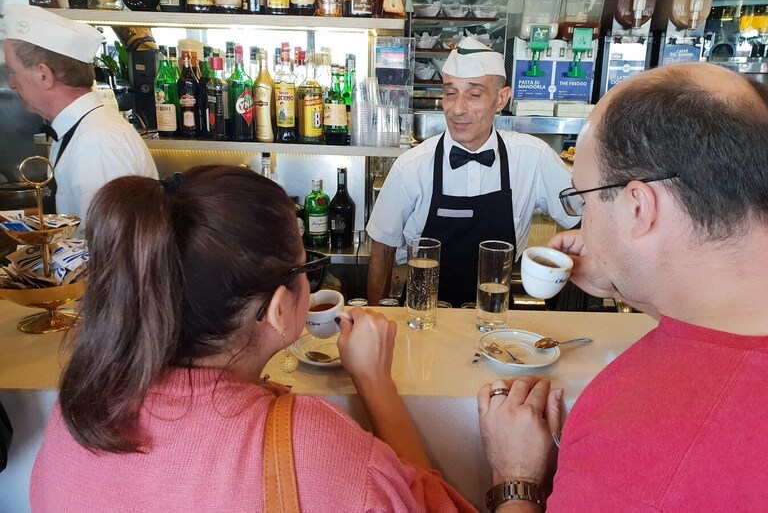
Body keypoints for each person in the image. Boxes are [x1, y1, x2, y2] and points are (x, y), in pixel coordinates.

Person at [30, 165, 477, 512]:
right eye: (305, 267)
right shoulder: (310, 444)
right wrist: (377, 384)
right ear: (279, 309)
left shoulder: (79, 409)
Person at [477, 63, 768, 511]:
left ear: (639, 207)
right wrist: (628, 282)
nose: (585, 223)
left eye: (584, 200)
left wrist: (514, 477)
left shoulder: (641, 447)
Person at [366, 37, 578, 307]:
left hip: (496, 313)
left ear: (501, 99)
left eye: (474, 94)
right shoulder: (411, 166)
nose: (457, 109)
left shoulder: (533, 157)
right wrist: (377, 318)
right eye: (450, 93)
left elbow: (582, 219)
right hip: (424, 314)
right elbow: (382, 251)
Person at [2, 4, 157, 225]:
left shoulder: (96, 143)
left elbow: (107, 241)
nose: (11, 83)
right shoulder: (81, 130)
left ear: (44, 75)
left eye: (13, 71)